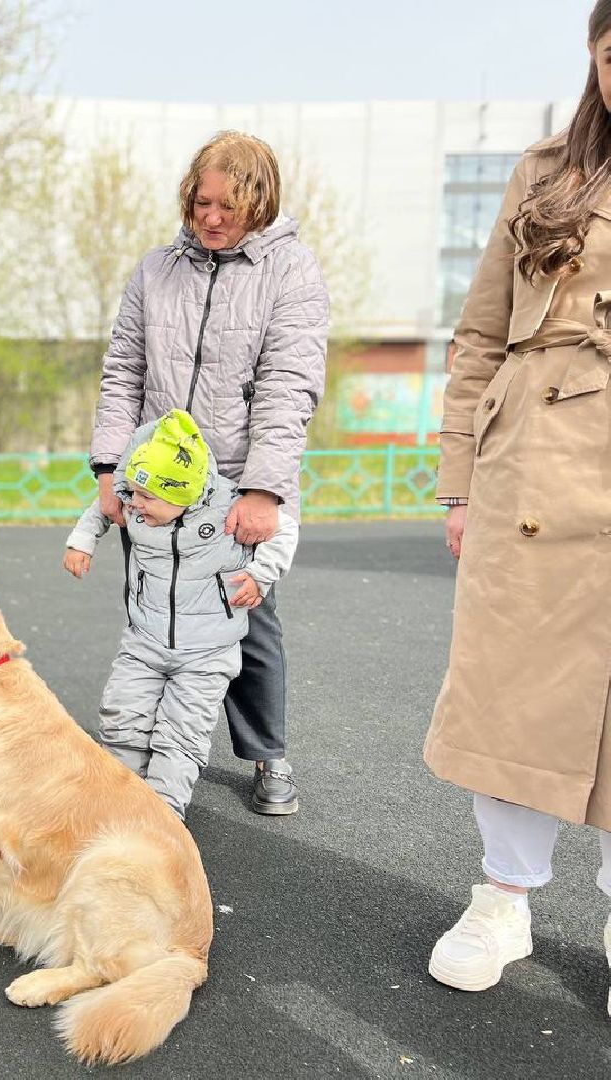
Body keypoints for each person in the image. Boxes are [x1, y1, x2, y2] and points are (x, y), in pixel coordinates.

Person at [424, 0, 611, 1006]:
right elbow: (481, 332)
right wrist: (460, 479)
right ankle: (503, 899)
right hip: (531, 459)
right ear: (592, 56)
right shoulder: (546, 174)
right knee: (511, 687)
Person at [89, 131, 328, 816]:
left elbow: (289, 385)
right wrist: (110, 468)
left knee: (247, 616)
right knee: (152, 614)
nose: (212, 218)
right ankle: (146, 757)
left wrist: (263, 490)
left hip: (234, 481)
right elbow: (123, 370)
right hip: (154, 480)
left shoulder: (292, 271)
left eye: (228, 205)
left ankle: (266, 751)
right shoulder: (156, 270)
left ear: (260, 202)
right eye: (201, 203)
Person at [65, 411, 297, 819]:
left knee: (181, 737)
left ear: (183, 494)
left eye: (147, 497)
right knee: (121, 722)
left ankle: (162, 817)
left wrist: (261, 575)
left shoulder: (227, 509)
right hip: (143, 644)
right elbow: (101, 509)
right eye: (133, 493)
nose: (135, 505)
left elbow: (285, 528)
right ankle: (117, 806)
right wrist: (81, 542)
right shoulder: (137, 499)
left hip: (208, 654)